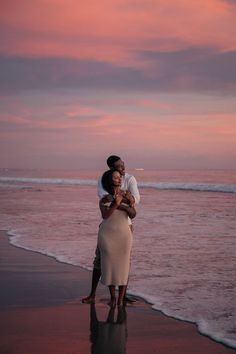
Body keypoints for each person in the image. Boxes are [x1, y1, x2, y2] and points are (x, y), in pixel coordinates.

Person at [82, 155, 140, 304]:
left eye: (123, 165)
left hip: (125, 225)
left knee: (124, 262)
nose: (122, 169)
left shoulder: (130, 178)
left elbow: (136, 199)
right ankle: (93, 294)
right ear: (111, 168)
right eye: (118, 166)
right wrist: (124, 200)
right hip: (108, 228)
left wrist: (122, 200)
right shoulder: (104, 179)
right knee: (99, 260)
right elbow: (104, 197)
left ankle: (122, 296)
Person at [98, 169, 136, 306]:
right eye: (115, 178)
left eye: (120, 177)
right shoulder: (104, 198)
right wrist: (116, 204)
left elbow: (133, 214)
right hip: (107, 235)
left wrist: (121, 205)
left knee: (124, 267)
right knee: (109, 266)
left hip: (124, 236)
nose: (119, 179)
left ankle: (120, 299)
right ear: (110, 180)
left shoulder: (127, 195)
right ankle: (113, 298)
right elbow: (105, 215)